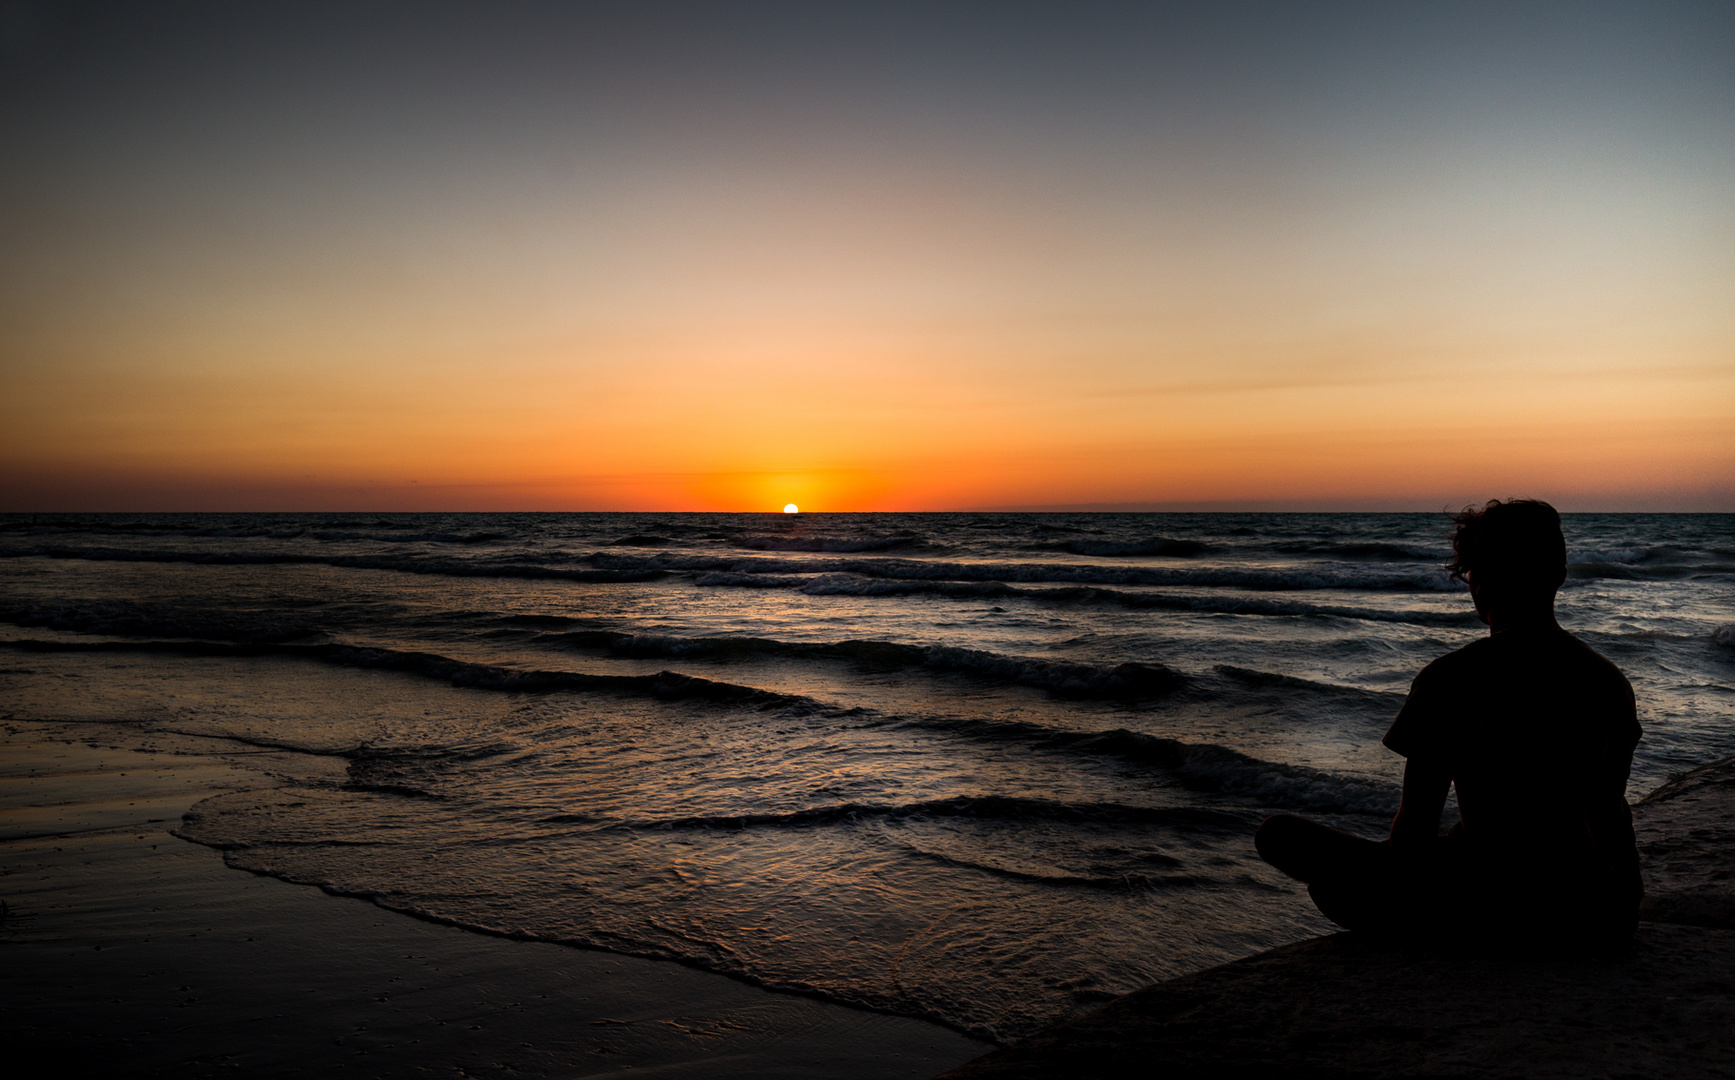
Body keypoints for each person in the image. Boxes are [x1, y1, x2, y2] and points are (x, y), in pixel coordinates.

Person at [1255, 499, 1642, 946]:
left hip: (1509, 908)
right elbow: (1598, 809)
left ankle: (1417, 921)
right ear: (1559, 573)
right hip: (1608, 910)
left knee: (1281, 838)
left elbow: (1415, 830)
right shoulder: (1609, 680)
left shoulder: (1454, 677)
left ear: (1478, 581)